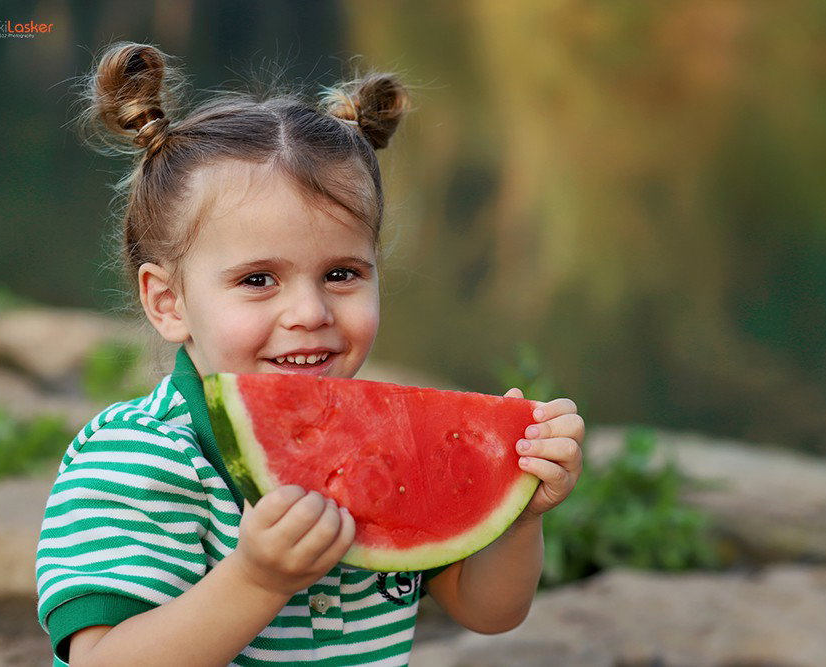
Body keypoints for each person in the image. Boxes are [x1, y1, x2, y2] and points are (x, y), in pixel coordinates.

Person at [35, 41, 585, 667]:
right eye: (258, 280)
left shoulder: (385, 444)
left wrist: (516, 513)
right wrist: (256, 580)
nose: (310, 313)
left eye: (343, 274)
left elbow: (487, 611)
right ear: (169, 302)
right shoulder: (137, 457)